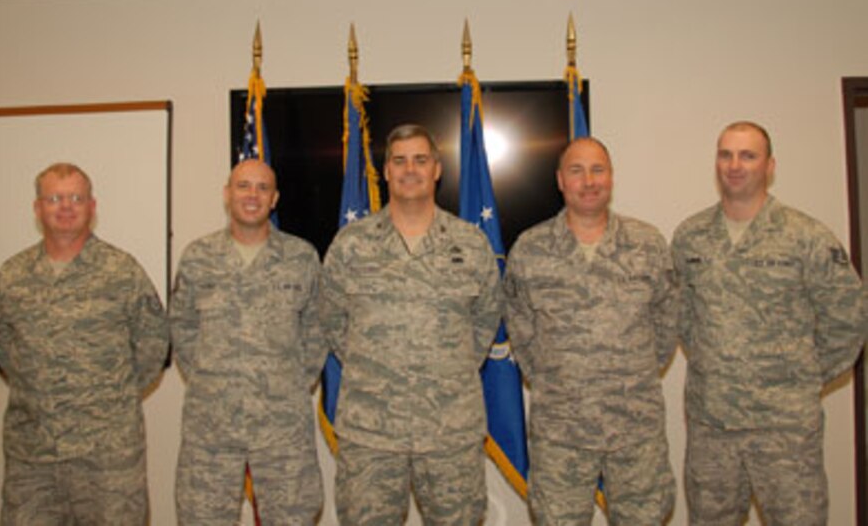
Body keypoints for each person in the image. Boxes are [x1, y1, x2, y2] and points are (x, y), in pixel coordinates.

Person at [672, 121, 867, 525]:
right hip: (713, 428)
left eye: (747, 155)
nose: (734, 165)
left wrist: (801, 377)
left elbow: (849, 318)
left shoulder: (806, 236)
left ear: (770, 165)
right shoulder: (691, 237)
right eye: (725, 154)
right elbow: (685, 318)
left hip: (785, 431)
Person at [319, 124, 503, 525]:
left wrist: (447, 369)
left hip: (450, 432)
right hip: (371, 435)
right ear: (385, 172)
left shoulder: (470, 244)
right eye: (399, 161)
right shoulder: (352, 245)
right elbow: (331, 319)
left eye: (420, 160)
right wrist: (376, 366)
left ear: (436, 169)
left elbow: (486, 319)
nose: (410, 170)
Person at [504, 137, 678, 525]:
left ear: (611, 178)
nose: (588, 181)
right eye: (577, 171)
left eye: (598, 170)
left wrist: (631, 373)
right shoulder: (530, 249)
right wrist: (561, 378)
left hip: (635, 428)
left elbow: (667, 324)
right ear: (560, 180)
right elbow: (521, 329)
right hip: (560, 430)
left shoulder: (647, 244)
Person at [0, 162, 168, 525]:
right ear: (38, 208)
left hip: (107, 458)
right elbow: (3, 345)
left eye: (75, 198)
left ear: (92, 206)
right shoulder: (11, 276)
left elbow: (153, 344)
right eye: (54, 198)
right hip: (32, 455)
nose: (65, 206)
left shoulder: (122, 271)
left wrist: (106, 396)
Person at [171, 158, 325, 525]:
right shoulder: (198, 257)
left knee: (293, 516)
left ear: (274, 199)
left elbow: (317, 330)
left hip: (282, 425)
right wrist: (213, 380)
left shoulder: (301, 257)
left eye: (262, 188)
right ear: (227, 195)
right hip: (211, 423)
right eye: (243, 186)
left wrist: (286, 383)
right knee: (202, 517)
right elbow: (182, 328)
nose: (252, 195)